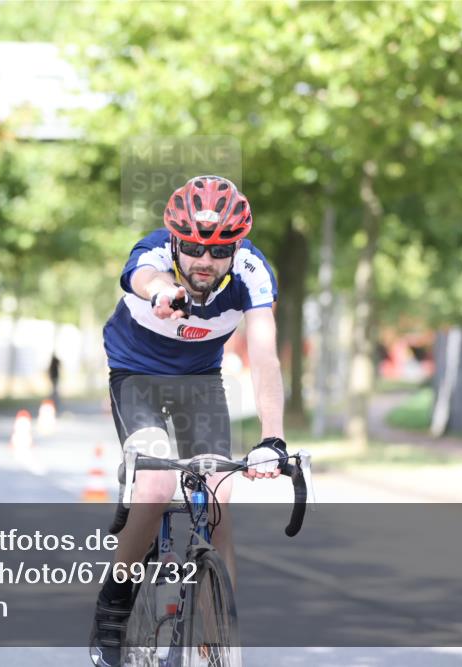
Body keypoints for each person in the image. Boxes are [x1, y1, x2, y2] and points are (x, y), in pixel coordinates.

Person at [89, 175, 289, 666]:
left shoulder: (252, 272)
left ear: (236, 247)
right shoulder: (153, 255)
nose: (205, 261)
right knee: (156, 487)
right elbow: (143, 277)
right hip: (136, 374)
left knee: (219, 495)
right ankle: (114, 601)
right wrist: (161, 293)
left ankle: (216, 642)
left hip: (199, 381)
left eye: (220, 251)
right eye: (195, 248)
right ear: (175, 240)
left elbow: (265, 355)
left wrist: (273, 439)